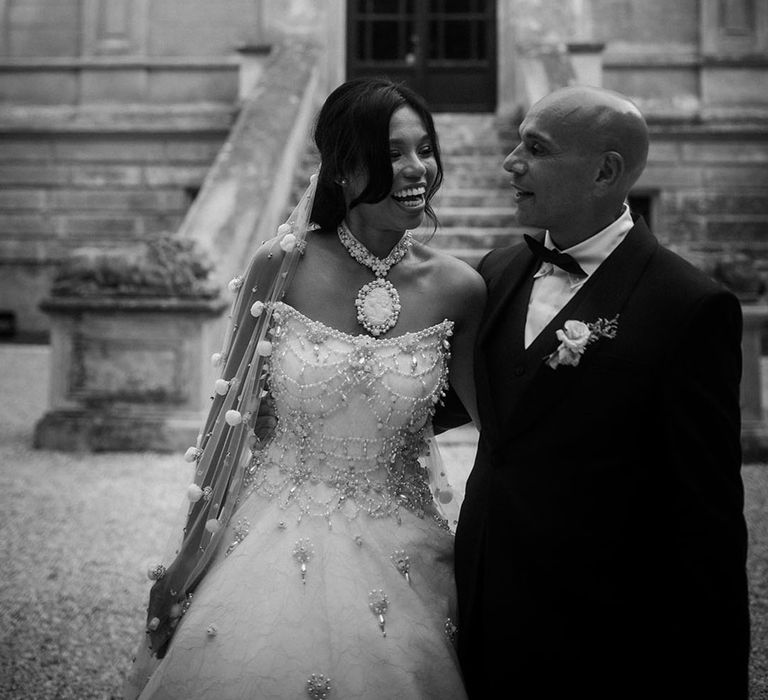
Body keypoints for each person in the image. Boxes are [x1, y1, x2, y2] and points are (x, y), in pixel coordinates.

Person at [123, 77, 485, 699]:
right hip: (270, 534)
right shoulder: (279, 267)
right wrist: (188, 558)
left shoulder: (460, 288)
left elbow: (500, 434)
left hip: (406, 543)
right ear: (344, 167)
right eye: (393, 153)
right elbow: (226, 431)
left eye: (425, 149)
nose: (417, 168)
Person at [441, 85, 750, 698]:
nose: (511, 163)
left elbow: (708, 521)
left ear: (605, 172)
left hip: (602, 636)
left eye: (536, 148)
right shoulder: (494, 273)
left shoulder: (688, 306)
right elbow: (453, 403)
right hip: (480, 608)